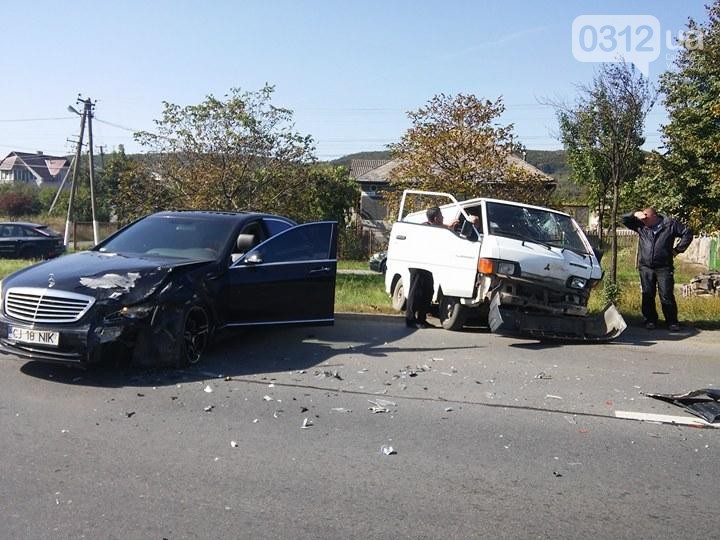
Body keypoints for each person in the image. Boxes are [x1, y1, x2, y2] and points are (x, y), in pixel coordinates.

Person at [622, 207, 693, 331]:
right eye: (643, 219)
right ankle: (650, 320)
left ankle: (672, 322)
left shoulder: (670, 224)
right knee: (647, 294)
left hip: (664, 266)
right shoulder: (641, 225)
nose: (644, 222)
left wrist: (677, 250)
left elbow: (687, 233)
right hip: (646, 267)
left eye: (646, 218)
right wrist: (634, 214)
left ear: (654, 216)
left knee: (666, 294)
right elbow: (624, 220)